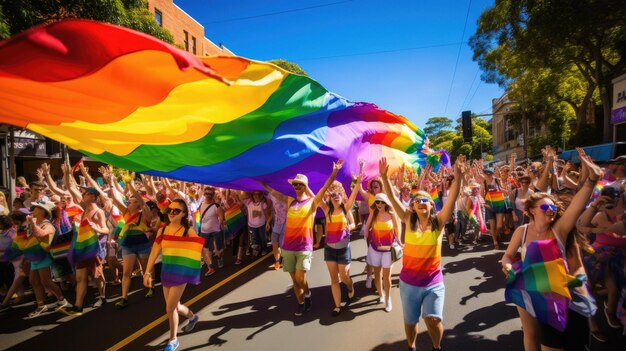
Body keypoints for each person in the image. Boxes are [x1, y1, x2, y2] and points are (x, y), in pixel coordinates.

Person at [502, 154, 603, 351]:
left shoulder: (559, 230)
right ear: (531, 210)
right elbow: (507, 255)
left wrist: (592, 179)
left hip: (560, 295)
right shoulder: (521, 232)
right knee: (532, 335)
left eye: (554, 207)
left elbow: (577, 205)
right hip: (530, 287)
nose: (552, 210)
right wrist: (507, 267)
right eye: (546, 207)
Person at [379, 156, 465, 351]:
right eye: (417, 200)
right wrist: (384, 178)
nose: (421, 201)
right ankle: (411, 346)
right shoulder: (408, 219)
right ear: (413, 206)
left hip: (433, 283)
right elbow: (392, 198)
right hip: (409, 283)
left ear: (432, 205)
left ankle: (436, 346)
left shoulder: (439, 222)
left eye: (425, 199)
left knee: (433, 319)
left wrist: (458, 178)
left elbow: (452, 198)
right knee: (410, 322)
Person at [260, 159, 343, 316]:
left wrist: (335, 172)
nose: (297, 187)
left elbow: (326, 186)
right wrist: (263, 184)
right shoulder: (290, 200)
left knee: (300, 278)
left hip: (304, 247)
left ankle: (308, 294)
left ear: (305, 186)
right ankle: (301, 302)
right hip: (288, 247)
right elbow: (275, 193)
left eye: (300, 184)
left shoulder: (313, 202)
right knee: (294, 280)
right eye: (295, 184)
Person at [144, 199, 203, 351]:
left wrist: (205, 256)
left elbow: (197, 247)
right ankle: (192, 317)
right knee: (175, 305)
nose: (171, 213)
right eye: (169, 210)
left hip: (180, 273)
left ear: (183, 213)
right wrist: (147, 272)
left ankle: (173, 339)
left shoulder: (187, 231)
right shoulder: (162, 230)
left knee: (169, 309)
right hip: (166, 271)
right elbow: (154, 252)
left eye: (176, 211)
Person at [320, 175, 361, 316]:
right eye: (332, 194)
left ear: (341, 195)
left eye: (338, 193)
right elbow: (317, 197)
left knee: (344, 277)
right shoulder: (327, 210)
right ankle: (337, 306)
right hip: (330, 249)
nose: (335, 196)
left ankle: (350, 287)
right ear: (329, 197)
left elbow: (355, 193)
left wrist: (349, 226)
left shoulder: (346, 208)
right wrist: (329, 180)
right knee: (334, 279)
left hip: (344, 248)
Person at [22, 201, 69, 318]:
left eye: (37, 208)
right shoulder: (35, 222)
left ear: (43, 211)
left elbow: (41, 235)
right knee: (33, 281)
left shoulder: (47, 225)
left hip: (43, 257)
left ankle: (62, 300)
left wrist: (32, 224)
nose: (33, 209)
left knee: (46, 281)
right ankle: (41, 305)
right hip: (35, 257)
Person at [363, 192, 400, 312]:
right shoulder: (373, 213)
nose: (379, 204)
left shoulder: (391, 214)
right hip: (375, 249)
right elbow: (367, 226)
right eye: (377, 202)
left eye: (382, 202)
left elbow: (396, 227)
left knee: (387, 277)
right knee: (377, 276)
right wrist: (366, 233)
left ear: (386, 203)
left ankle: (388, 299)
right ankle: (381, 295)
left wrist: (399, 240)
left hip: (388, 250)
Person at [198, 187, 225, 276]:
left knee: (218, 250)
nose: (208, 196)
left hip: (215, 231)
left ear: (213, 195)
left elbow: (221, 217)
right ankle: (210, 268)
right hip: (204, 231)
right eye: (207, 194)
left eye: (210, 194)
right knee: (205, 250)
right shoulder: (201, 205)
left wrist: (220, 222)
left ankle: (220, 258)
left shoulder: (216, 206)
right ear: (204, 194)